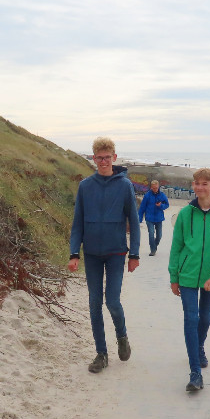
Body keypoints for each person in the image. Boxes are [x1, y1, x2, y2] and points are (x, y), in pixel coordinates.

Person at [68, 137, 140, 374]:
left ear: (114, 158)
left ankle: (122, 336)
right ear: (94, 158)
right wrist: (73, 253)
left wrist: (135, 255)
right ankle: (101, 353)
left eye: (107, 157)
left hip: (116, 252)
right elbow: (78, 221)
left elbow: (134, 221)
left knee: (112, 301)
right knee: (94, 303)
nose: (103, 161)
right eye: (99, 157)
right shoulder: (86, 186)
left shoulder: (124, 185)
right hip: (91, 253)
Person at [169, 168, 210, 392]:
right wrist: (173, 276)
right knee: (191, 319)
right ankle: (195, 372)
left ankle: (199, 346)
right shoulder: (185, 214)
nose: (200, 187)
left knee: (205, 318)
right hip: (186, 276)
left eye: (205, 183)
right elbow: (176, 247)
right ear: (193, 186)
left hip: (209, 279)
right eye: (197, 183)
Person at [138, 180, 169, 256]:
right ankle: (152, 250)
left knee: (159, 236)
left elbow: (167, 205)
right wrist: (140, 218)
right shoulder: (147, 196)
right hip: (149, 218)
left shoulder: (162, 195)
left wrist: (161, 205)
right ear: (151, 187)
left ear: (158, 187)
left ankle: (154, 246)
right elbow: (142, 207)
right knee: (151, 234)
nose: (155, 189)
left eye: (156, 188)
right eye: (153, 188)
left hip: (159, 218)